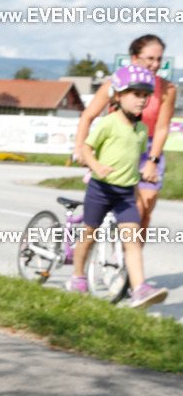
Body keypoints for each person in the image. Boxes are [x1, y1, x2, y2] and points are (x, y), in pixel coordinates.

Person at [67, 64, 168, 310]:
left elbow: (133, 160)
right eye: (136, 94)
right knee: (88, 236)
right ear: (118, 96)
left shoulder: (142, 130)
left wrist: (144, 174)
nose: (142, 100)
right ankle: (78, 276)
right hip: (101, 190)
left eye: (146, 95)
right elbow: (87, 149)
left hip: (125, 194)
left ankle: (139, 289)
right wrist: (96, 166)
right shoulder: (108, 123)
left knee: (132, 240)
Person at [74, 35, 176, 228]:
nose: (156, 64)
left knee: (145, 210)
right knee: (129, 208)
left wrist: (152, 162)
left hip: (148, 147)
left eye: (159, 59)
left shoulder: (166, 88)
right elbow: (87, 116)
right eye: (150, 58)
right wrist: (79, 148)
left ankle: (127, 254)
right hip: (117, 146)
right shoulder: (116, 83)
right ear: (134, 57)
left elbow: (162, 128)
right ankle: (117, 250)